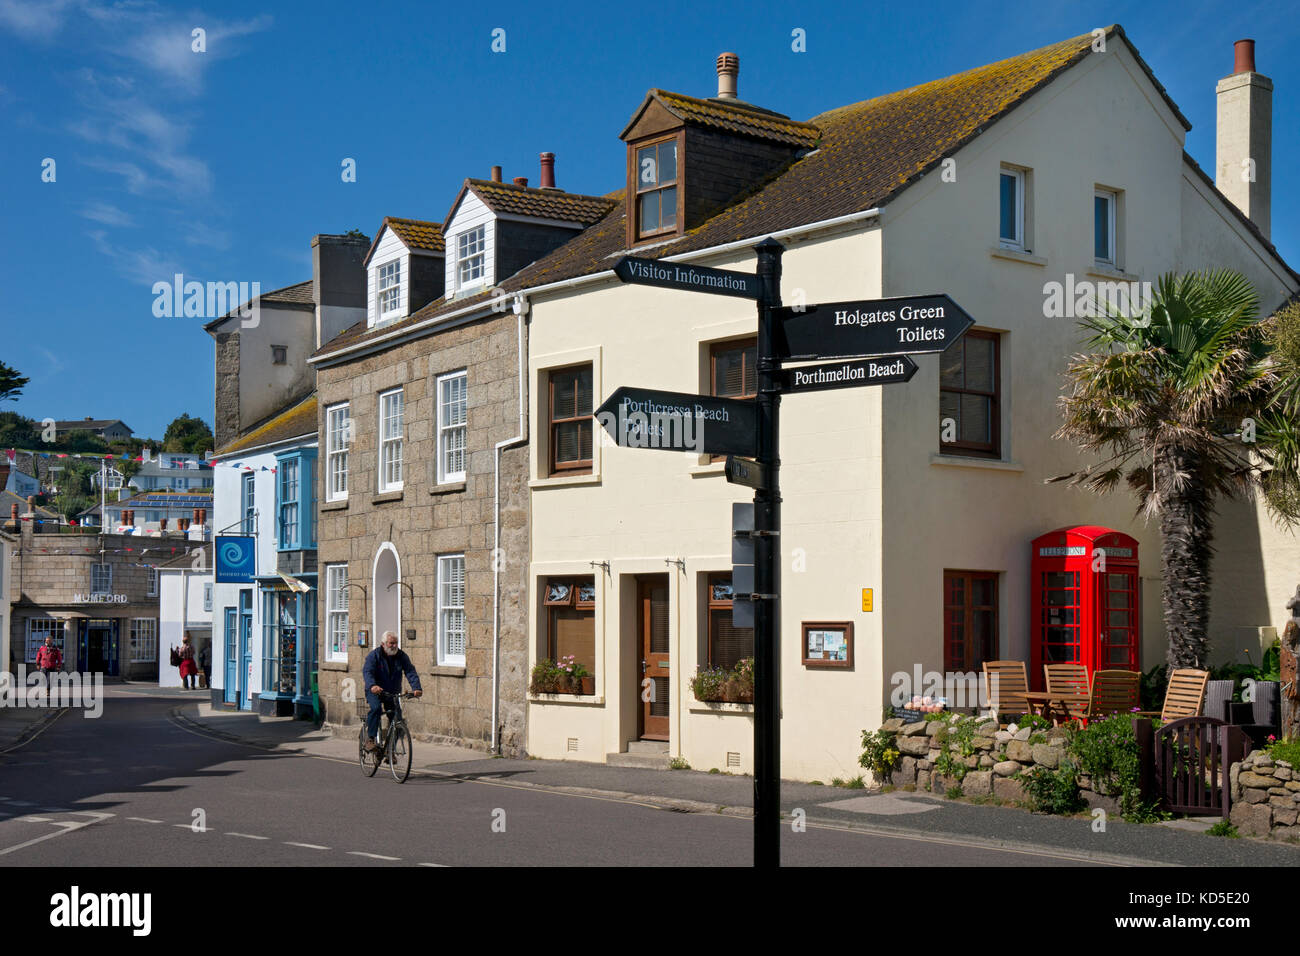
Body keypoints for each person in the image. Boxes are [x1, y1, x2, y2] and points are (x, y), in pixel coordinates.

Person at [362, 631, 422, 751]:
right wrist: (372, 685)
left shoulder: (401, 656)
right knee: (376, 709)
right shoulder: (374, 656)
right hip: (375, 691)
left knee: (397, 720)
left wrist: (416, 688)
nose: (394, 646)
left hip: (392, 693)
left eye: (396, 643)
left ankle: (390, 750)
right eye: (391, 643)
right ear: (383, 644)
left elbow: (410, 671)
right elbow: (367, 672)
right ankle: (371, 738)